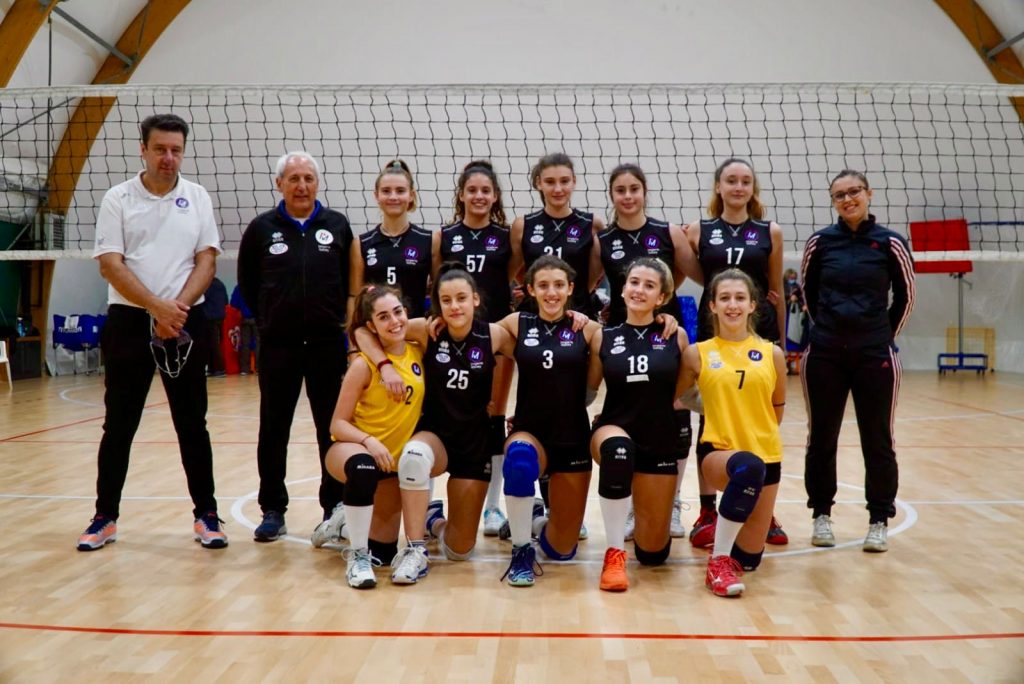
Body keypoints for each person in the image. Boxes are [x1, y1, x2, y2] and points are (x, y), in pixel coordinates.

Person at [78, 113, 227, 551]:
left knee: (192, 424)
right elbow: (111, 263)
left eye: (176, 150)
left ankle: (207, 515)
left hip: (184, 320)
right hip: (129, 322)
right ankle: (104, 517)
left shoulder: (197, 197)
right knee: (119, 425)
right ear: (143, 149)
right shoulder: (118, 198)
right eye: (160, 149)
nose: (168, 158)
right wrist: (154, 307)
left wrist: (175, 310)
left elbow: (207, 260)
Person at [355, 264, 516, 566]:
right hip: (436, 436)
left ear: (475, 299)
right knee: (413, 456)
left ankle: (434, 522)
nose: (454, 306)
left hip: (474, 444)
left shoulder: (494, 335)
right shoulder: (426, 331)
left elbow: (532, 354)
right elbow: (362, 331)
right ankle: (415, 548)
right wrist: (384, 366)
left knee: (459, 551)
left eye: (461, 298)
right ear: (438, 304)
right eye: (446, 300)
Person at [237, 151, 354, 544]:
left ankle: (333, 506)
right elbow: (248, 284)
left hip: (326, 344)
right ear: (280, 184)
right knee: (274, 428)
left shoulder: (337, 225)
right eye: (293, 179)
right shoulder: (261, 229)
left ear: (317, 183)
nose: (302, 186)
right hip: (278, 346)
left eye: (308, 178)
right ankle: (273, 509)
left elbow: (348, 281)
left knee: (331, 428)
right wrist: (272, 320)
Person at [801, 170, 915, 553]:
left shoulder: (890, 243)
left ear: (869, 194)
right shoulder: (820, 243)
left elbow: (906, 297)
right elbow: (808, 293)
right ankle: (821, 515)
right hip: (826, 353)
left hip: (874, 354)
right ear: (833, 201)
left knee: (878, 439)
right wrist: (828, 330)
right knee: (821, 438)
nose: (848, 199)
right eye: (839, 195)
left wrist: (882, 337)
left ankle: (878, 519)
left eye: (854, 192)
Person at [683, 158, 788, 549]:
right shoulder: (698, 230)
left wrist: (781, 342)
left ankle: (763, 505)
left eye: (745, 181)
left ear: (752, 188)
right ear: (718, 187)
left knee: (760, 417)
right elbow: (699, 277)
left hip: (757, 333)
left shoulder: (769, 231)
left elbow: (775, 289)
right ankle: (707, 510)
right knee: (710, 420)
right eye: (731, 180)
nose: (738, 187)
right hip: (713, 332)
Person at [595, 163, 700, 544]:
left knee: (676, 413)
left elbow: (695, 273)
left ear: (644, 192)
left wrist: (661, 304)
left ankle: (673, 503)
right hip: (623, 335)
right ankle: (629, 507)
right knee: (629, 413)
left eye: (634, 189)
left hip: (665, 332)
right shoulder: (603, 239)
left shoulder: (667, 232)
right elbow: (584, 281)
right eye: (620, 190)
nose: (627, 196)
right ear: (612, 195)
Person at [677, 268, 787, 597]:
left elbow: (776, 409)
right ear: (712, 305)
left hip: (766, 456)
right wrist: (715, 408)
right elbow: (679, 398)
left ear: (753, 305)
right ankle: (717, 562)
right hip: (719, 453)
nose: (732, 305)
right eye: (724, 298)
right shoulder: (697, 353)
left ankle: (729, 542)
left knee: (749, 561)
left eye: (740, 298)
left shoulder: (772, 354)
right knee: (747, 467)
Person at [324, 285, 441, 588]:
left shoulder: (418, 350)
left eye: (398, 312)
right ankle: (356, 556)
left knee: (386, 553)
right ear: (371, 326)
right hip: (354, 449)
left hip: (391, 463)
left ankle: (341, 525)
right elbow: (337, 424)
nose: (394, 321)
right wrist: (369, 441)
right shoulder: (363, 365)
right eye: (383, 317)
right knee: (363, 469)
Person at [496, 255, 601, 586]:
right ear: (530, 289)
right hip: (530, 432)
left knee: (562, 549)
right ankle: (521, 550)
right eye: (543, 285)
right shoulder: (516, 323)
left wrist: (666, 321)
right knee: (519, 460)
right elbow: (470, 330)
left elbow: (602, 375)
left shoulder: (589, 330)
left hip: (572, 437)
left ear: (570, 289)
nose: (551, 293)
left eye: (558, 285)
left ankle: (534, 519)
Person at [588, 258, 687, 592]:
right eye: (634, 282)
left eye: (649, 285)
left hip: (658, 440)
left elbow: (685, 396)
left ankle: (640, 518)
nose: (639, 290)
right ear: (622, 288)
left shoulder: (676, 336)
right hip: (614, 429)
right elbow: (586, 392)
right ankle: (614, 553)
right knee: (618, 451)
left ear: (662, 297)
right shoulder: (603, 337)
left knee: (653, 554)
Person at [435, 160, 519, 537]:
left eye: (486, 190)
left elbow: (513, 273)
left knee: (493, 418)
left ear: (495, 195)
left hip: (493, 337)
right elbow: (436, 280)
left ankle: (492, 507)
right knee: (445, 415)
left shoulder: (506, 237)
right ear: (462, 195)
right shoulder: (445, 236)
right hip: (452, 340)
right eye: (472, 190)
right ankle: (434, 500)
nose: (479, 196)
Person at [511, 153, 604, 318]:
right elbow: (511, 271)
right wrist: (533, 287)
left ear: (574, 181)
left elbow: (591, 279)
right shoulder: (523, 225)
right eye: (550, 182)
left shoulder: (592, 225)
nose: (558, 189)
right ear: (539, 183)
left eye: (564, 181)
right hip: (534, 316)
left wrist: (571, 298)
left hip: (578, 316)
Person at [349, 160, 433, 319]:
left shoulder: (429, 240)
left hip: (415, 330)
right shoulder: (361, 244)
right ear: (376, 195)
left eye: (400, 191)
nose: (393, 197)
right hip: (375, 331)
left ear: (411, 195)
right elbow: (355, 296)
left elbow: (438, 292)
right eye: (386, 191)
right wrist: (354, 331)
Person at [201, 276, 228, 377]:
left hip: (210, 317)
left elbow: (202, 299)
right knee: (214, 344)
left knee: (212, 344)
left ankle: (219, 369)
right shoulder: (220, 284)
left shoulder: (207, 285)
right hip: (219, 317)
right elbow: (226, 301)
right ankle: (213, 368)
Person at [229, 284, 258, 375]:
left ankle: (244, 369)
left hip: (245, 319)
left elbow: (233, 303)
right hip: (257, 318)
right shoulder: (259, 285)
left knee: (245, 344)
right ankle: (260, 367)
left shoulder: (240, 287)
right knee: (259, 343)